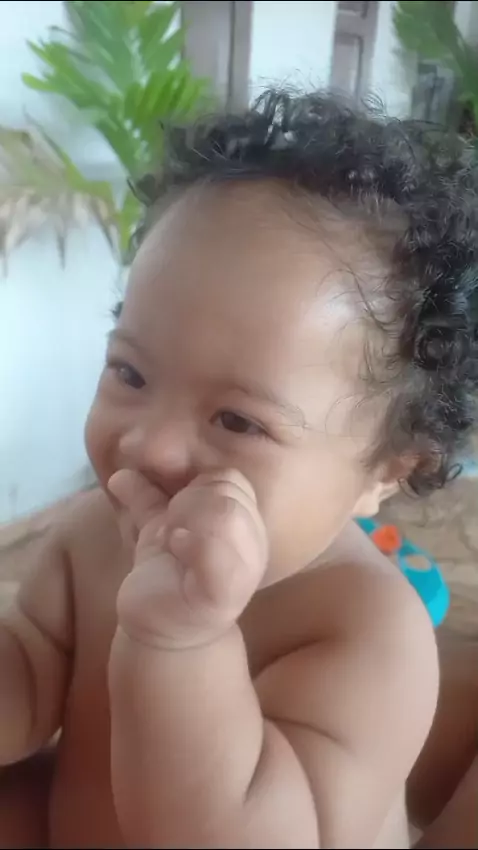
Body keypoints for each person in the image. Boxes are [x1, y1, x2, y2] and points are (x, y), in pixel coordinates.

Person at [2, 87, 478, 848]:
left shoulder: (365, 632)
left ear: (386, 471)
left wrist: (182, 640)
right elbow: (27, 674)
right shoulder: (92, 535)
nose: (149, 446)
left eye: (238, 421)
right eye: (130, 373)